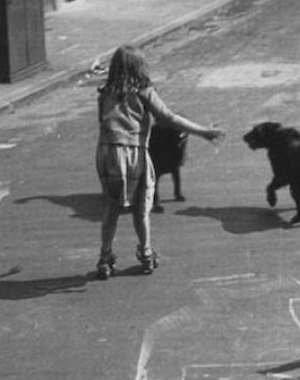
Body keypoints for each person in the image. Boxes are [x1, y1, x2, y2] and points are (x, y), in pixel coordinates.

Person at [95, 45, 226, 279]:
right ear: (139, 67)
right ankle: (145, 254)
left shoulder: (104, 93)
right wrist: (204, 131)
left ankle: (105, 258)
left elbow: (102, 123)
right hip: (134, 152)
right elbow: (168, 117)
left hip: (107, 154)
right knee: (141, 208)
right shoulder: (144, 91)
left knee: (111, 208)